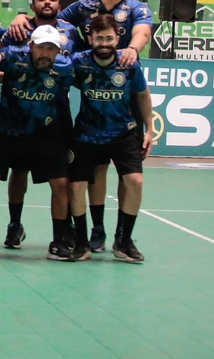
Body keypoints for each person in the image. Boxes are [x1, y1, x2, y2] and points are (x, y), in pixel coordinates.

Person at [5, 0, 152, 253]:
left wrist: (132, 50)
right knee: (94, 172)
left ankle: (122, 237)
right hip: (82, 111)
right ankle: (94, 231)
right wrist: (21, 17)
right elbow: (49, 19)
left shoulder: (137, 9)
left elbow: (143, 33)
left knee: (130, 176)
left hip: (122, 100)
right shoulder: (82, 8)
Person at [0, 25, 74, 260]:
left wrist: (69, 137)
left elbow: (65, 100)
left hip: (46, 133)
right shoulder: (12, 57)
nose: (45, 53)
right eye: (41, 47)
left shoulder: (65, 67)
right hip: (7, 132)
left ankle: (58, 241)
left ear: (58, 51)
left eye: (51, 49)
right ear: (31, 46)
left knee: (61, 184)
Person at [68, 14, 152, 263]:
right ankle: (82, 242)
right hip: (87, 133)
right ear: (90, 39)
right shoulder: (78, 62)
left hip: (123, 133)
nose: (104, 43)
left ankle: (124, 241)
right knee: (77, 186)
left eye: (109, 38)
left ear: (117, 39)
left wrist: (149, 130)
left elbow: (143, 94)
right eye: (99, 38)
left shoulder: (129, 63)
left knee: (135, 181)